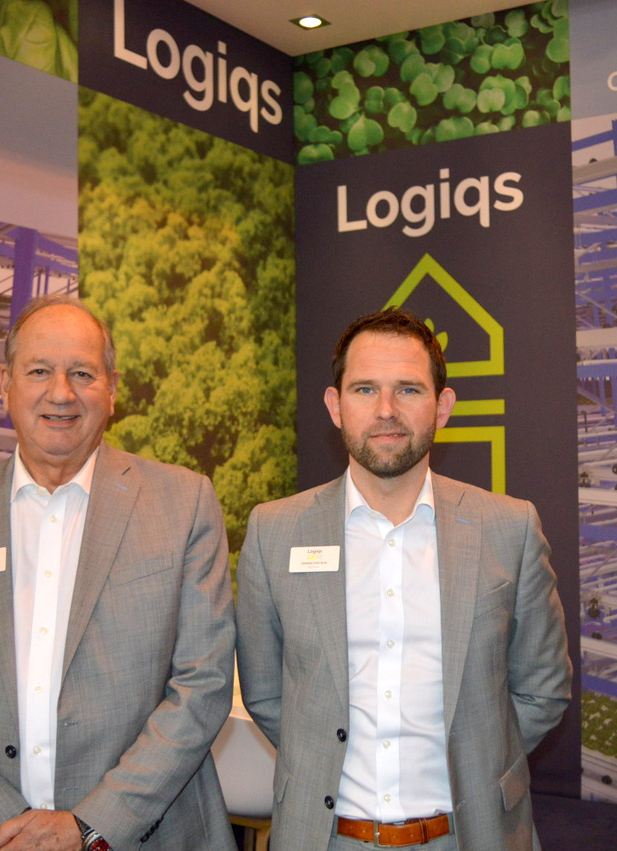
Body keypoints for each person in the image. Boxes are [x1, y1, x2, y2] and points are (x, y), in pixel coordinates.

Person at [0, 296, 236, 851]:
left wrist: (91, 825)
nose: (60, 393)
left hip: (140, 837)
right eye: (39, 371)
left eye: (82, 373)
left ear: (112, 389)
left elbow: (202, 684)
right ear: (5, 385)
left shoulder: (183, 503)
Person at [236, 307, 571, 850]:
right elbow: (266, 695)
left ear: (443, 407)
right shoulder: (274, 531)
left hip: (471, 836)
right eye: (365, 389)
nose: (386, 410)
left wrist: (478, 760)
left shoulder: (510, 528)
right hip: (325, 838)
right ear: (335, 406)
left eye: (409, 390)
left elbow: (543, 689)